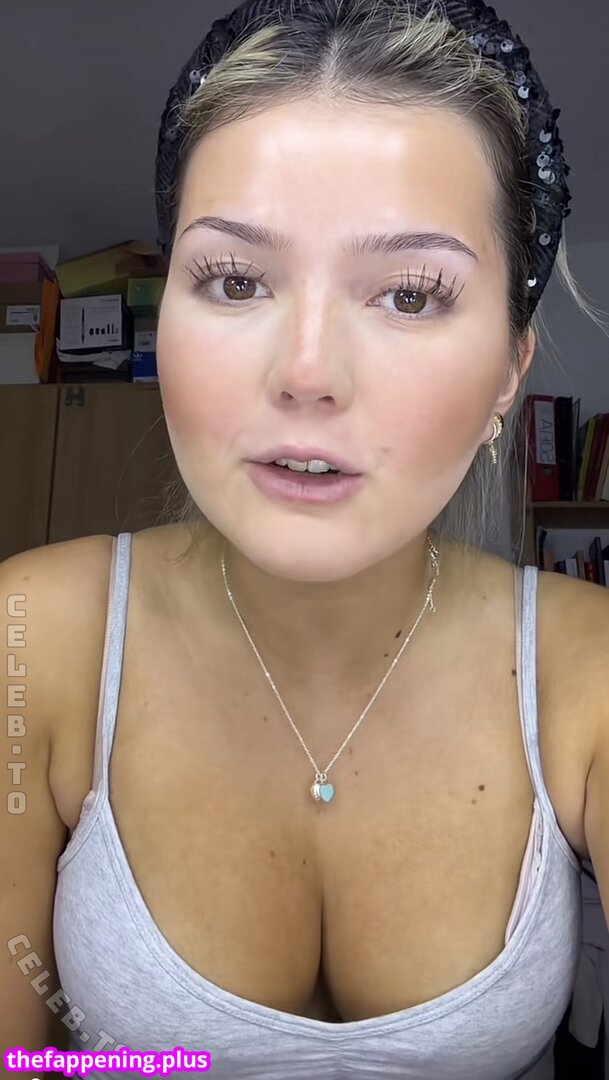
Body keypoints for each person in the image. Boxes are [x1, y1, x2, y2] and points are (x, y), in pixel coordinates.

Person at [2, 0, 609, 1076]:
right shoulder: (32, 635)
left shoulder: (587, 671)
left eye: (409, 296)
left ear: (509, 372)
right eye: (235, 282)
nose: (307, 372)